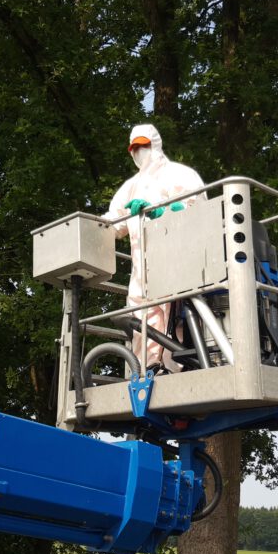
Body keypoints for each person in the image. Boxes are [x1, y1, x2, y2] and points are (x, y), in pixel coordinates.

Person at [104, 124, 204, 371]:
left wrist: (163, 210)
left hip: (176, 266)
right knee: (141, 326)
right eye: (135, 148)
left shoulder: (180, 174)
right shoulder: (130, 187)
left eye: (144, 145)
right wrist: (87, 227)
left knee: (176, 327)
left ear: (155, 144)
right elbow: (113, 224)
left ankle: (177, 377)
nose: (140, 152)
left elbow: (199, 211)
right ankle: (144, 378)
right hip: (142, 274)